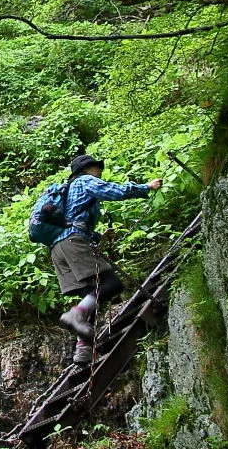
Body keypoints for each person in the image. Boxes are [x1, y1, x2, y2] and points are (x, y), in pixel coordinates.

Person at [51, 154, 162, 364]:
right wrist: (146, 187)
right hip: (73, 243)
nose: (100, 170)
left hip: (59, 248)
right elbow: (113, 191)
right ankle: (75, 315)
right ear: (85, 169)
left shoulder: (66, 192)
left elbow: (73, 221)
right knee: (111, 284)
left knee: (92, 292)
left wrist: (98, 237)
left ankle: (82, 350)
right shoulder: (84, 181)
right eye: (96, 167)